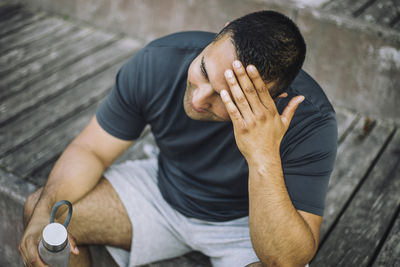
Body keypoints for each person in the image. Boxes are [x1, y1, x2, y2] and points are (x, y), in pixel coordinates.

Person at [19, 10, 337, 267]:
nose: (199, 99)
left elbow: (287, 260)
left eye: (229, 98)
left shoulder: (311, 118)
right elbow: (91, 149)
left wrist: (263, 155)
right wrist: (44, 213)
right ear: (220, 33)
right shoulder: (158, 61)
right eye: (203, 70)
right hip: (163, 193)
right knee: (44, 214)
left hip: (246, 222)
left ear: (275, 98)